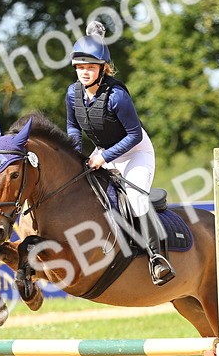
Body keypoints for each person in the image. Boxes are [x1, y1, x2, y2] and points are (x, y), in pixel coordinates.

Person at [65, 20, 175, 286]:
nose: (84, 72)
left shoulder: (116, 95)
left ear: (102, 68)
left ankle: (157, 258)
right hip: (104, 151)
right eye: (80, 67)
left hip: (135, 151)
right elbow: (72, 127)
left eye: (90, 67)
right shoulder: (72, 93)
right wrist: (76, 155)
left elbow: (134, 135)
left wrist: (103, 157)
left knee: (136, 198)